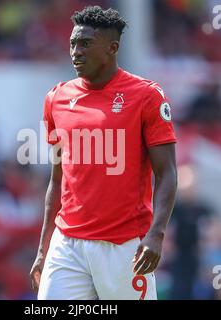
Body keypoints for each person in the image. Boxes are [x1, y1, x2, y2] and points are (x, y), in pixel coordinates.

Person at [30, 6, 177, 300]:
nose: (76, 52)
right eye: (73, 43)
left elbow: (167, 173)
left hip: (123, 246)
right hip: (67, 243)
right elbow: (57, 180)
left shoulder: (147, 96)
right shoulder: (56, 98)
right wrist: (44, 248)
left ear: (112, 48)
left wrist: (156, 234)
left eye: (85, 44)